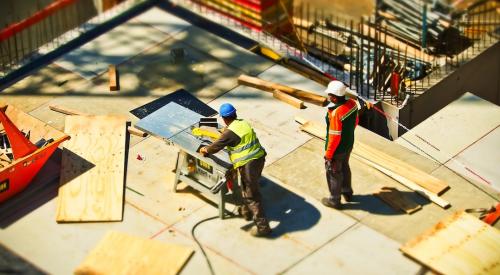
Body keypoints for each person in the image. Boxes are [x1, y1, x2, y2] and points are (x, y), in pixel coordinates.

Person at [199, 103, 272, 237]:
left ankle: (263, 227)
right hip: (259, 159)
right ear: (235, 114)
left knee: (251, 195)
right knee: (248, 188)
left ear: (224, 118)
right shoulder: (242, 123)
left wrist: (205, 149)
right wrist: (225, 132)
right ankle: (247, 211)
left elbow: (215, 147)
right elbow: (235, 136)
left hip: (248, 165)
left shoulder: (229, 133)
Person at [322, 80, 363, 210]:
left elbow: (334, 137)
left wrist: (329, 154)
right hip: (348, 143)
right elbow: (355, 121)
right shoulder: (352, 104)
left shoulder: (336, 113)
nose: (328, 97)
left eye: (329, 95)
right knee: (345, 166)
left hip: (337, 150)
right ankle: (347, 193)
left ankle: (334, 200)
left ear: (334, 97)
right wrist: (348, 135)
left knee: (333, 173)